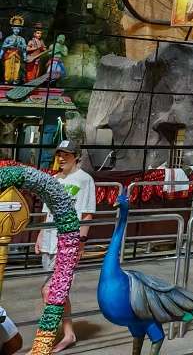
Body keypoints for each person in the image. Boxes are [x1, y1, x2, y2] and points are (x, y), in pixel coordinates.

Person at [36, 140, 96, 351]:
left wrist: (81, 243)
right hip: (49, 242)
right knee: (59, 292)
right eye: (59, 154)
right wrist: (40, 235)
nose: (61, 158)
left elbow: (87, 214)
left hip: (67, 244)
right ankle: (69, 334)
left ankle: (47, 335)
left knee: (48, 290)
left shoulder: (85, 180)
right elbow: (47, 213)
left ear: (76, 156)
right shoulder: (53, 180)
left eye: (66, 154)